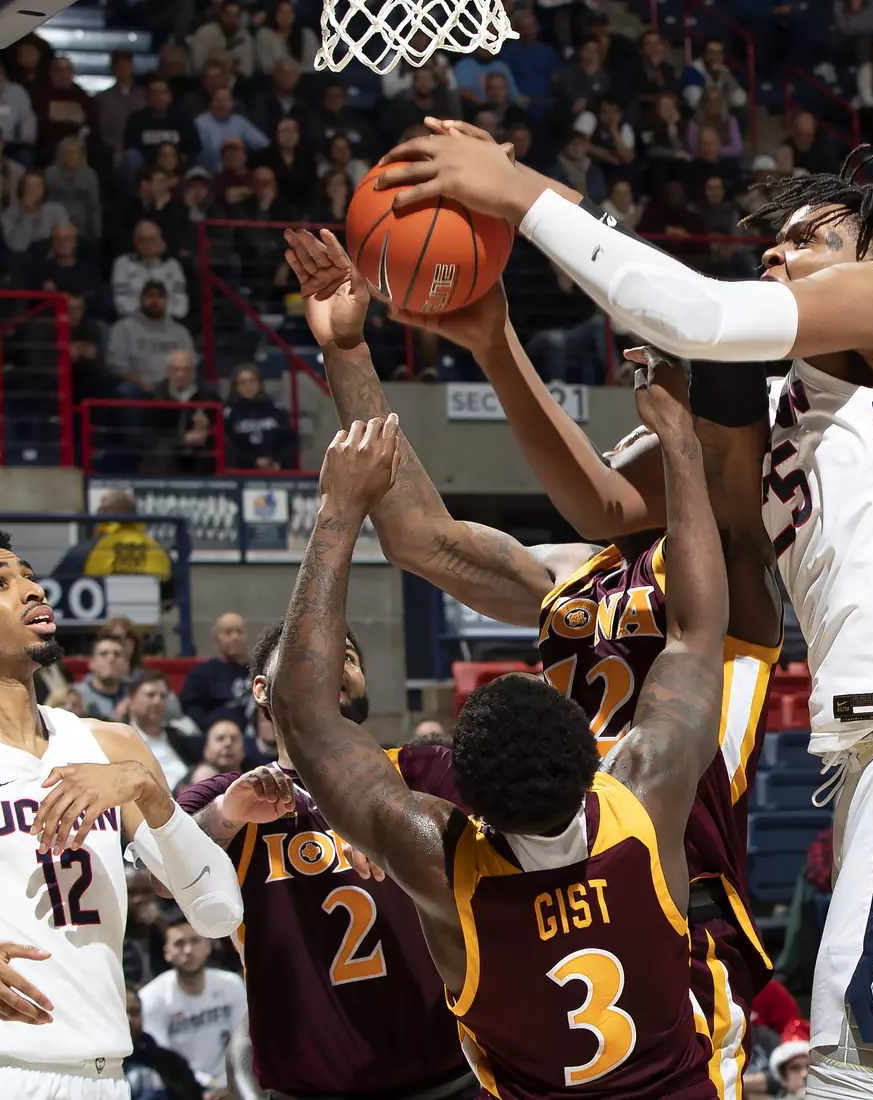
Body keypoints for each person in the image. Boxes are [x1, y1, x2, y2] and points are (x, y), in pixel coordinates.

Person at [338, 125, 873, 1098]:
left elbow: (702, 316)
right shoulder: (774, 419)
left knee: (870, 1068)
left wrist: (518, 192)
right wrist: (496, 340)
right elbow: (598, 503)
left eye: (813, 241)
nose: (781, 256)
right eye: (773, 248)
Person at [282, 222, 783, 1098]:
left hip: (678, 859)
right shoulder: (574, 574)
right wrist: (352, 354)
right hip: (559, 829)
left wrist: (679, 404)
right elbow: (419, 536)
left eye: (640, 448)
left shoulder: (735, 562)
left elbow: (700, 490)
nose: (613, 456)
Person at [0, 514, 244, 1099]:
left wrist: (147, 789)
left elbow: (218, 912)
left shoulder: (114, 745)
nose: (32, 589)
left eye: (30, 577)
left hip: (109, 1076)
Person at [180, 621, 477, 1100]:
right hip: (311, 1086)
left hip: (451, 1077)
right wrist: (225, 816)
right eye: (307, 652)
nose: (334, 663)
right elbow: (155, 876)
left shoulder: (424, 769)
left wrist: (400, 826)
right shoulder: (227, 794)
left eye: (349, 657)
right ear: (261, 688)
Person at [134, 923, 245, 1093]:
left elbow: (243, 1042)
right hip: (180, 1086)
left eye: (195, 941)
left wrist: (228, 1086)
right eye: (179, 943)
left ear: (208, 946)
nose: (188, 950)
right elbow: (163, 1058)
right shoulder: (151, 998)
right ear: (167, 952)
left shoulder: (232, 985)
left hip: (233, 1082)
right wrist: (205, 1085)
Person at [179, 613, 251, 730]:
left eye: (239, 632)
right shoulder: (201, 674)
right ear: (216, 640)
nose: (235, 637)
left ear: (247, 637)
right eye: (228, 632)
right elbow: (191, 709)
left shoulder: (260, 670)